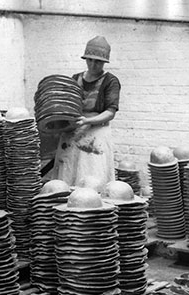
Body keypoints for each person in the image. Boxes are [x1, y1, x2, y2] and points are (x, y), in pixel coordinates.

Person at [51, 35, 121, 191]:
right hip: (73, 131)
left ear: (104, 62)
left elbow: (110, 112)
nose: (93, 64)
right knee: (67, 173)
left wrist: (88, 121)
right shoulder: (75, 79)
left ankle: (91, 205)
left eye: (97, 61)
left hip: (97, 133)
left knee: (92, 174)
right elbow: (66, 105)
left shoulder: (111, 81)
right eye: (90, 60)